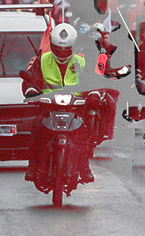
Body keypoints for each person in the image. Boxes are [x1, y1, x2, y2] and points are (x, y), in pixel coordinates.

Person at [21, 23, 92, 183]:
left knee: (85, 131)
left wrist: (94, 93)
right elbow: (29, 79)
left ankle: (84, 167)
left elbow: (93, 81)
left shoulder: (81, 62)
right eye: (58, 48)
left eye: (66, 49)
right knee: (36, 127)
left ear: (73, 47)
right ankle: (32, 165)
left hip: (75, 106)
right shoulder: (41, 60)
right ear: (51, 45)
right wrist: (31, 91)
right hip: (46, 106)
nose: (61, 52)